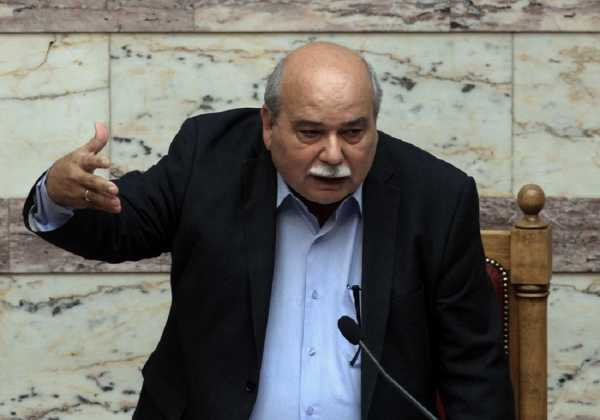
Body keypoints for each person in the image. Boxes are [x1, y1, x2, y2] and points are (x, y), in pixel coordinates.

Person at [23, 42, 514, 420]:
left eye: (353, 132)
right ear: (268, 125)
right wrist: (59, 194)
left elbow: (474, 370)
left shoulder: (437, 198)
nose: (334, 155)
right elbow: (122, 224)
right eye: (310, 133)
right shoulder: (209, 158)